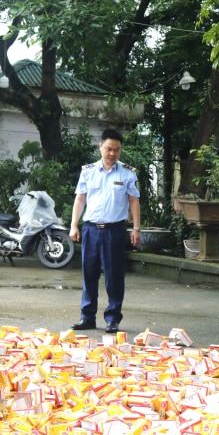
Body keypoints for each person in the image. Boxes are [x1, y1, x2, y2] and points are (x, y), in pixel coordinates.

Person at [69, 128, 141, 334]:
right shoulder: (88, 171)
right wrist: (74, 225)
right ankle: (87, 317)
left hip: (114, 231)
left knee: (114, 276)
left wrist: (136, 228)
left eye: (117, 150)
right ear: (100, 147)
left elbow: (134, 201)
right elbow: (80, 199)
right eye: (109, 149)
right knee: (89, 274)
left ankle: (113, 318)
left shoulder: (127, 173)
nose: (112, 154)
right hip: (91, 229)